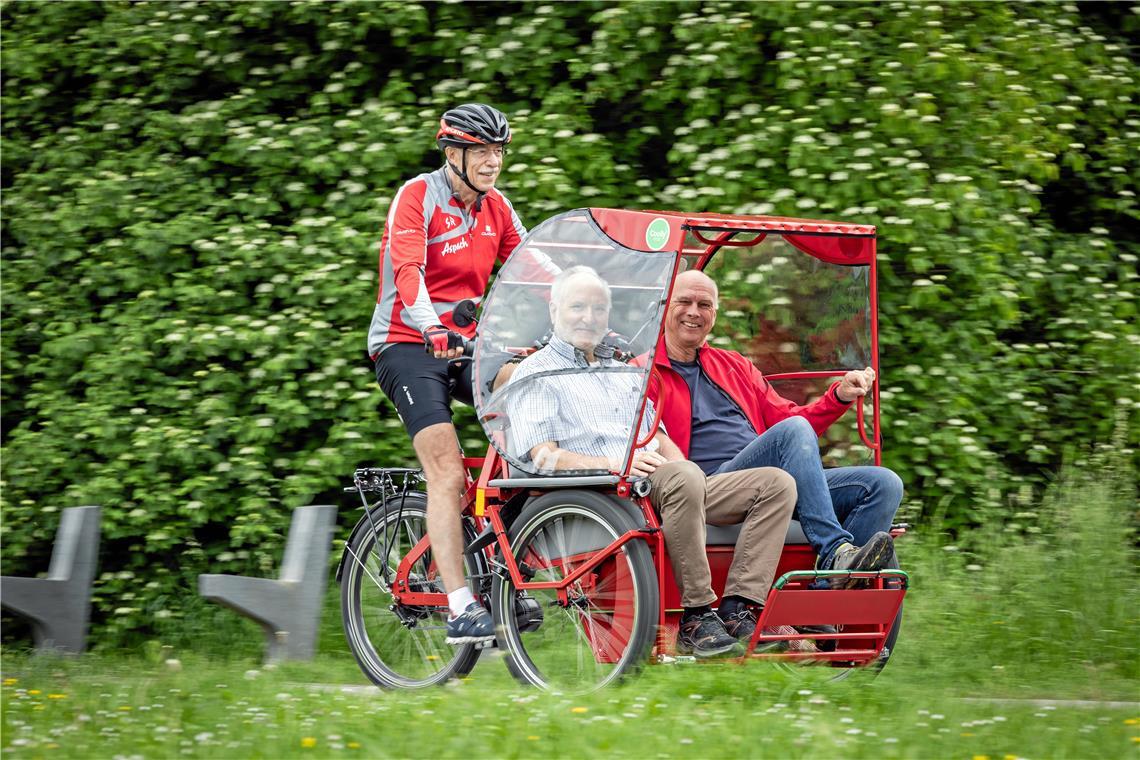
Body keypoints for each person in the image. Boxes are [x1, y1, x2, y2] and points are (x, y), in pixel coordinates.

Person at [506, 266, 798, 657]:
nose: (588, 317)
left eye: (598, 308)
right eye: (578, 306)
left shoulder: (621, 372)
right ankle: (698, 614)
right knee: (682, 479)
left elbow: (657, 438)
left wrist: (687, 474)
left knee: (776, 484)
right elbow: (543, 455)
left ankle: (740, 606)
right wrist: (615, 464)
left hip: (655, 484)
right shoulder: (536, 373)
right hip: (599, 490)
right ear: (555, 309)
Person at [367, 104, 529, 645]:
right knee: (447, 470)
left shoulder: (497, 209)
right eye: (481, 151)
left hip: (466, 344)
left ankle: (512, 547)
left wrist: (587, 309)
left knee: (524, 391)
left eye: (498, 151)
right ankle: (460, 605)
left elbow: (535, 267)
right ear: (453, 154)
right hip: (407, 344)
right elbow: (406, 271)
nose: (492, 161)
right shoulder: (419, 195)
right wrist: (432, 326)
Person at [647, 269, 904, 579]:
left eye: (704, 305)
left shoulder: (734, 365)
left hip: (773, 481)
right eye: (684, 302)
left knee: (883, 484)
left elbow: (790, 421)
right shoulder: (644, 374)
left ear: (714, 315)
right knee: (790, 433)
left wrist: (838, 396)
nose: (693, 312)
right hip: (710, 485)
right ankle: (835, 550)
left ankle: (827, 599)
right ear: (664, 307)